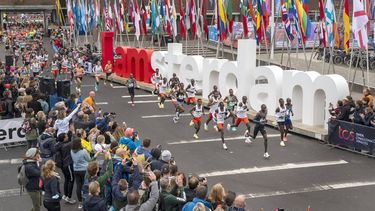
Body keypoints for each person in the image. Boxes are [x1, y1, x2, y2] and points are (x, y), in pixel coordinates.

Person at [54, 133, 76, 204]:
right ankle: (69, 197)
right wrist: (73, 133)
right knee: (71, 180)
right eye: (66, 136)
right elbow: (75, 141)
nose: (67, 137)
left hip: (63, 165)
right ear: (64, 138)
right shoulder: (67, 145)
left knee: (66, 179)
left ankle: (65, 195)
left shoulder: (58, 145)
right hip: (68, 164)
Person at [71, 138, 92, 209]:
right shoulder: (83, 151)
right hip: (84, 170)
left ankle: (80, 202)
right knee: (85, 185)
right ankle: (86, 201)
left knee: (78, 186)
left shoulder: (71, 151)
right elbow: (89, 159)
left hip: (76, 170)